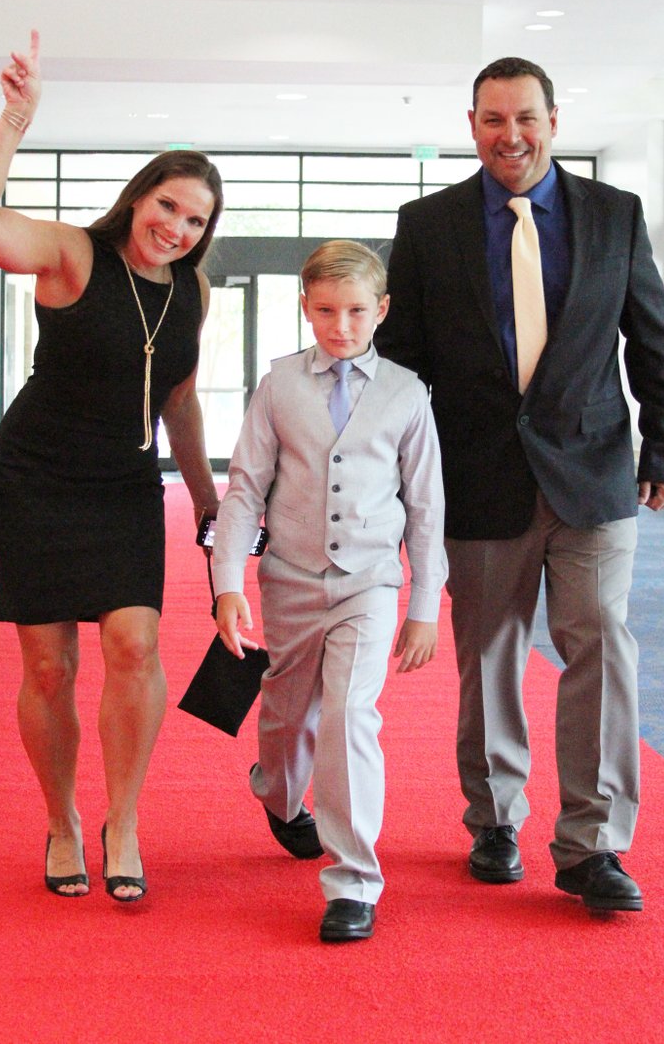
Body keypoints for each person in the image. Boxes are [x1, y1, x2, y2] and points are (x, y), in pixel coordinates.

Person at [375, 56, 664, 913]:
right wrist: (390, 476)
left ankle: (593, 845)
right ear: (471, 123)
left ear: (553, 118)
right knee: (491, 658)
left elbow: (652, 337)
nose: (508, 135)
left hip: (591, 471)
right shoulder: (428, 223)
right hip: (475, 477)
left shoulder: (613, 215)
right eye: (491, 120)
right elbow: (402, 366)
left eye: (525, 118)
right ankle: (495, 818)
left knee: (600, 649)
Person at [0, 31, 222, 902]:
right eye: (168, 206)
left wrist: (208, 490)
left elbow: (177, 397)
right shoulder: (73, 253)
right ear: (138, 196)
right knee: (48, 666)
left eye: (195, 220)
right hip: (38, 477)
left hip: (127, 486)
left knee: (136, 645)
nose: (176, 228)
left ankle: (125, 819)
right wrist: (15, 121)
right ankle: (62, 820)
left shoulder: (194, 291)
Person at [212, 240, 447, 942]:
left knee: (348, 714)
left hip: (370, 581)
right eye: (324, 310)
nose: (340, 325)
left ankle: (353, 882)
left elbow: (427, 505)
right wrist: (227, 584)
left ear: (381, 309)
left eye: (354, 311)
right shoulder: (278, 383)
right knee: (289, 713)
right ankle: (279, 793)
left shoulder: (407, 391)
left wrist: (424, 607)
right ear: (304, 307)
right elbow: (245, 490)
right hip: (288, 578)